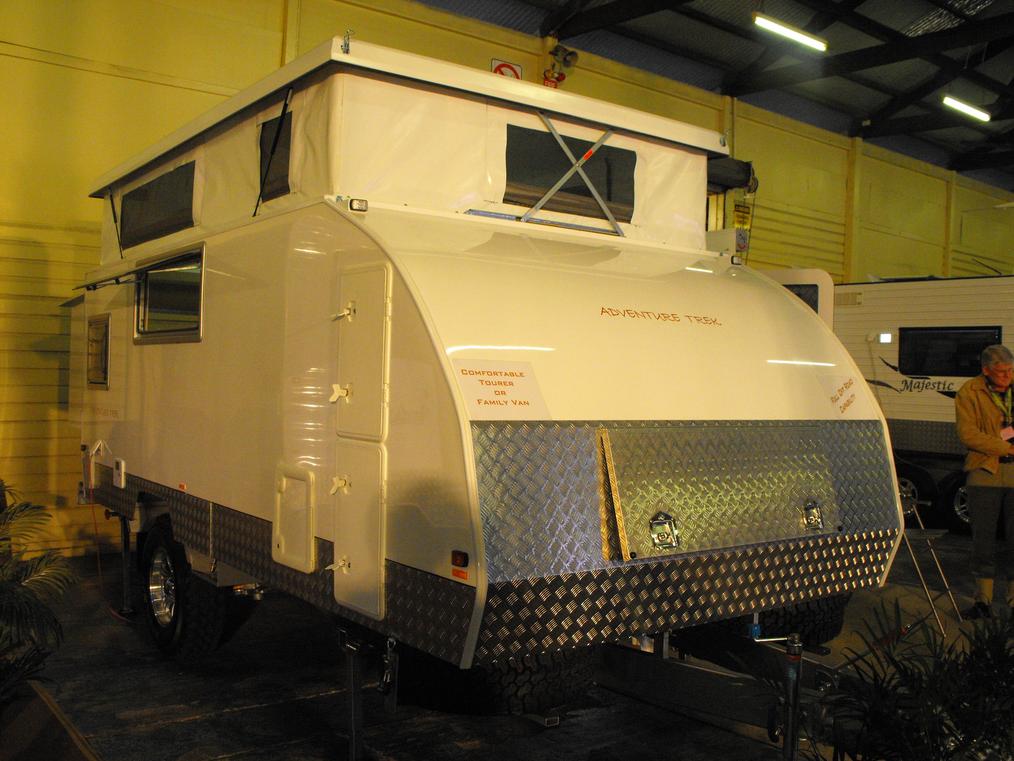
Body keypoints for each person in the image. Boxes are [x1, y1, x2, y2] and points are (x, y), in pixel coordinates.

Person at [955, 344, 1014, 619]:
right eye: (1001, 373)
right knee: (984, 539)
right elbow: (968, 434)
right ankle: (984, 600)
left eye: (1010, 371)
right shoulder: (970, 391)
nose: (1007, 377)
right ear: (986, 371)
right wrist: (1007, 448)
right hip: (985, 472)